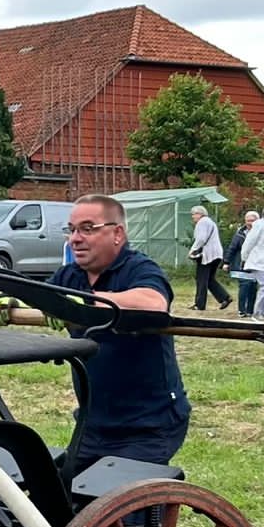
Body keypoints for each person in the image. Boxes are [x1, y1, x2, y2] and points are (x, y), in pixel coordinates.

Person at [31, 194, 190, 478]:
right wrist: (9, 299)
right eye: (72, 229)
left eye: (87, 228)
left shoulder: (139, 268)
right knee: (61, 495)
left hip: (148, 426)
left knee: (118, 500)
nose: (75, 239)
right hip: (94, 424)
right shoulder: (70, 276)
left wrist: (87, 302)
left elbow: (154, 302)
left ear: (117, 234)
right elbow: (36, 295)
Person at [240, 208, 264, 319]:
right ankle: (257, 313)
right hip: (257, 261)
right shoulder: (259, 225)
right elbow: (249, 242)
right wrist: (244, 258)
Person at [188, 205, 226, 310]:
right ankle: (224, 298)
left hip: (207, 255)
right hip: (217, 254)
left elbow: (201, 239)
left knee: (201, 279)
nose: (192, 217)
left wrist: (193, 250)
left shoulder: (202, 222)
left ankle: (199, 304)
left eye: (194, 214)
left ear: (200, 214)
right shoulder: (210, 222)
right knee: (209, 279)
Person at [225, 212, 255, 316]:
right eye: (248, 221)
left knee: (253, 287)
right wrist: (226, 262)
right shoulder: (239, 234)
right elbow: (232, 248)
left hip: (255, 265)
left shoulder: (262, 233)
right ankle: (242, 310)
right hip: (241, 265)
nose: (250, 223)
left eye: (252, 220)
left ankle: (250, 310)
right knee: (244, 285)